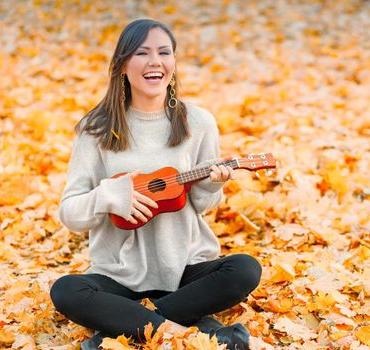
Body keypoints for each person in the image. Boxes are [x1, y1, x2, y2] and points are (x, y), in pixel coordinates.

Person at [50, 18, 262, 350]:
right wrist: (110, 196)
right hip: (118, 276)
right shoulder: (95, 129)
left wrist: (212, 186)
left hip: (184, 272)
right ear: (122, 65)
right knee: (65, 290)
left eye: (164, 52)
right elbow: (70, 213)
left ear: (174, 64)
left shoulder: (199, 123)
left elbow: (204, 206)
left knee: (245, 269)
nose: (155, 62)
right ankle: (197, 333)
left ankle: (123, 328)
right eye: (142, 53)